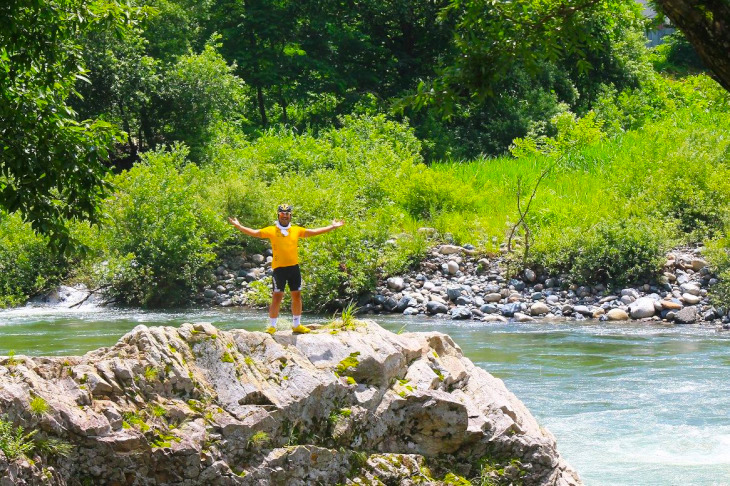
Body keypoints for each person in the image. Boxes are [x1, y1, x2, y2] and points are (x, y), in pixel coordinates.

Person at [228, 204, 344, 334]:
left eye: (287, 214)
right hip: (279, 270)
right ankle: (272, 326)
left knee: (297, 295)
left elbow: (314, 231)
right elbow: (255, 233)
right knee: (277, 297)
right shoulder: (272, 230)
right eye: (282, 214)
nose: (284, 216)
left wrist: (332, 227)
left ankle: (296, 324)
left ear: (290, 216)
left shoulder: (296, 230)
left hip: (294, 268)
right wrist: (239, 226)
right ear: (278, 215)